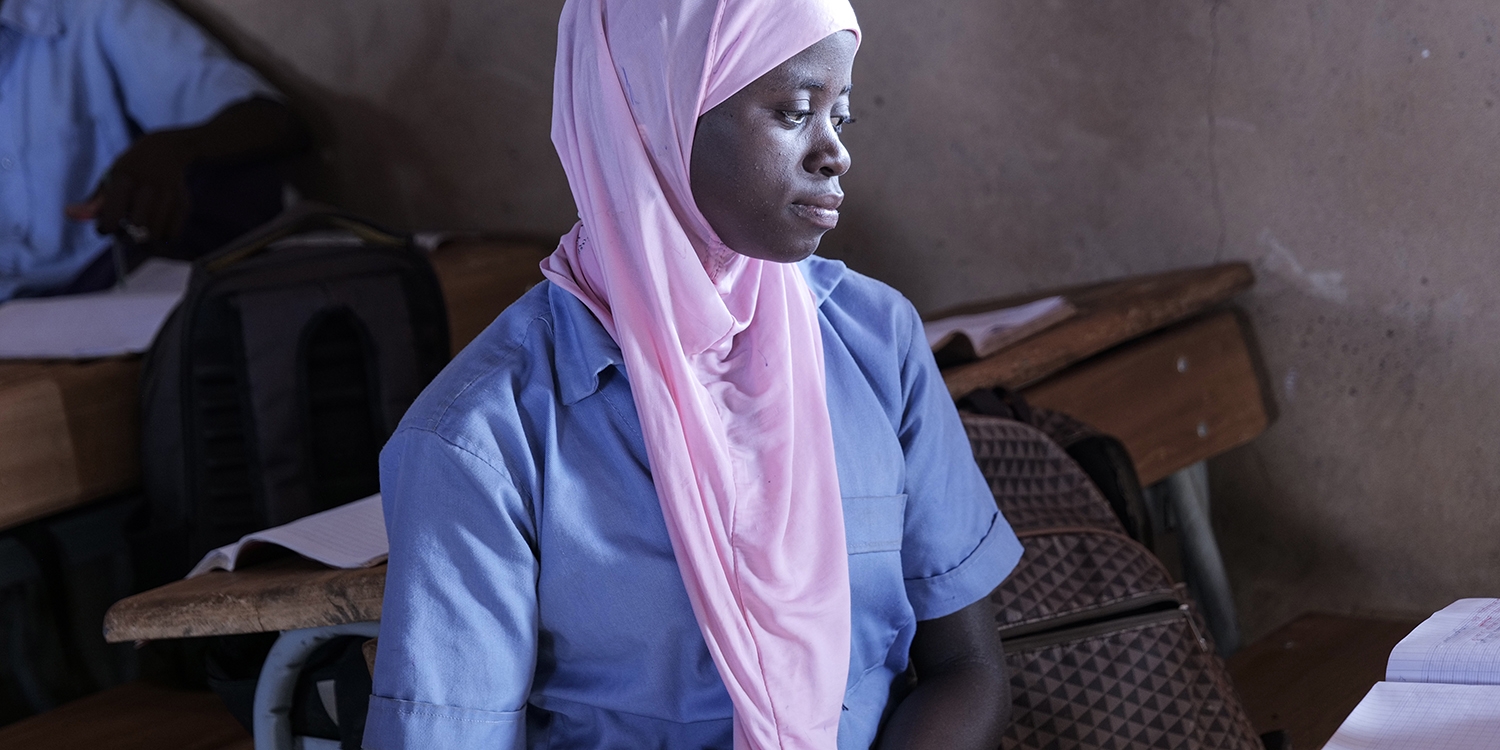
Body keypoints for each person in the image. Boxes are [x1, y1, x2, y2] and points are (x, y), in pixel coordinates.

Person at [365, 0, 1024, 747]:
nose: (834, 153)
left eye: (841, 117)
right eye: (795, 112)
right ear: (655, 120)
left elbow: (966, 666)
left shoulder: (875, 339)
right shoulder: (483, 436)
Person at [0, 0, 307, 300]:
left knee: (241, 189)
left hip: (110, 291)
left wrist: (174, 148)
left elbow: (271, 119)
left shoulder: (95, 11)